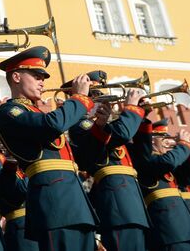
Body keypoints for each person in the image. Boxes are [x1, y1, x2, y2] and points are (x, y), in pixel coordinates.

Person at [0, 46, 98, 250]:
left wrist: (100, 125)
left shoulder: (37, 112)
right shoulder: (10, 110)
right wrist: (79, 99)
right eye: (35, 76)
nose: (42, 81)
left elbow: (84, 157)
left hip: (74, 200)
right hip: (54, 202)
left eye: (42, 77)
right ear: (16, 77)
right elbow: (53, 125)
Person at [68, 71, 149, 251]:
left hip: (133, 204)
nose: (103, 99)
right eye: (95, 95)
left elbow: (144, 157)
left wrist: (144, 117)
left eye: (101, 94)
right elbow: (121, 133)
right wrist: (131, 110)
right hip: (117, 204)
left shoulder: (108, 124)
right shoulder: (80, 124)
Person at [127, 119, 190, 250]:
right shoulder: (146, 162)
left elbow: (188, 178)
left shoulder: (168, 165)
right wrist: (184, 144)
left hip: (189, 226)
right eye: (164, 137)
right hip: (170, 227)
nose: (170, 141)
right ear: (151, 140)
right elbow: (168, 162)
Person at [0, 133, 38, 251]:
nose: (6, 149)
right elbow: (23, 190)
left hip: (34, 224)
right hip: (21, 227)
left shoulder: (20, 168)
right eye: (3, 146)